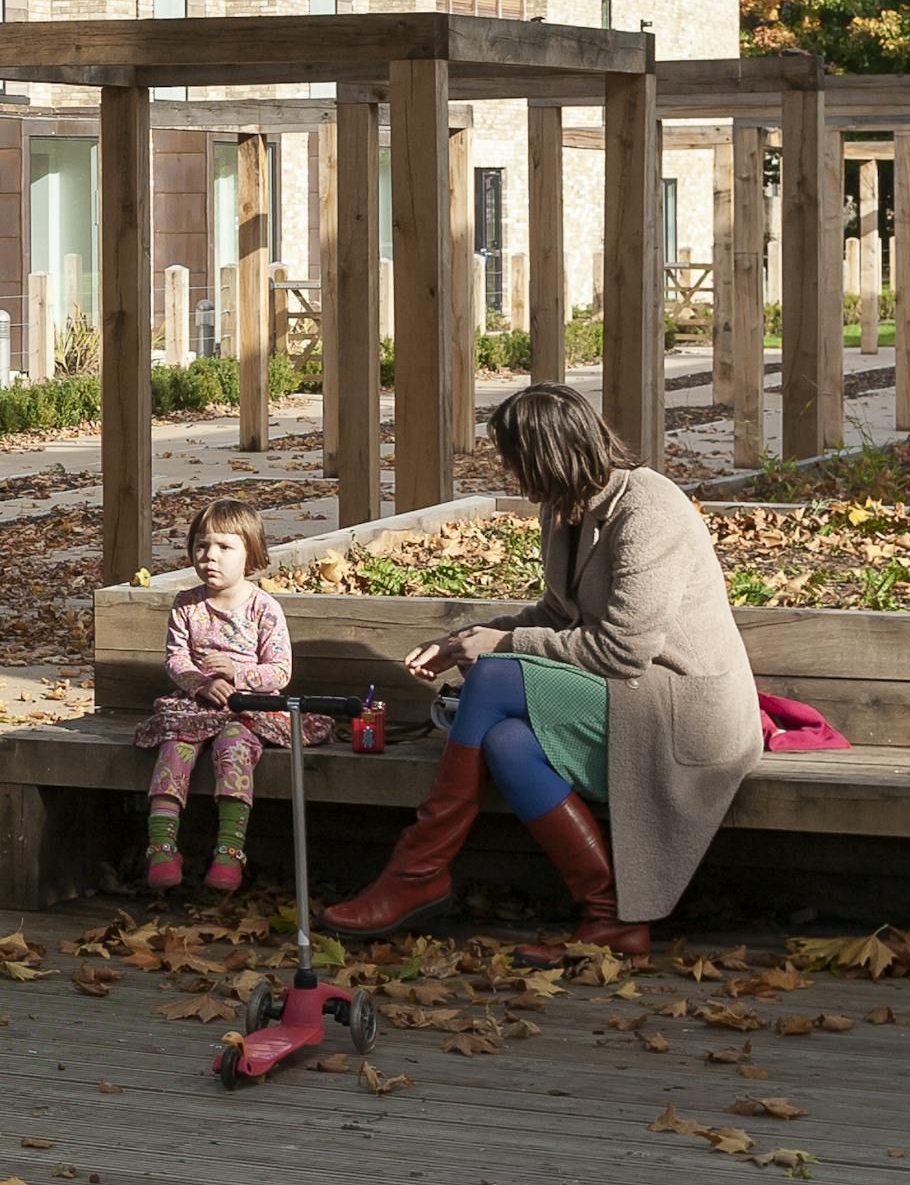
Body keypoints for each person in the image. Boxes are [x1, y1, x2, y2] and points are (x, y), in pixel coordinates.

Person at [321, 383, 758, 957]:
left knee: (496, 676)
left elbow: (622, 649)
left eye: (513, 459)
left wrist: (500, 645)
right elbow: (557, 615)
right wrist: (462, 641)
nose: (508, 473)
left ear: (547, 454)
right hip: (624, 699)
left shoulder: (651, 508)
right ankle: (610, 916)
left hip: (685, 713)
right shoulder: (565, 509)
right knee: (504, 741)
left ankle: (417, 871)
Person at [134, 497, 310, 892]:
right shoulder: (186, 605)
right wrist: (200, 682)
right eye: (201, 545)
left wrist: (240, 674)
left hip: (247, 710)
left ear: (251, 554)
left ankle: (229, 851)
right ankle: (161, 846)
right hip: (195, 706)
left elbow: (281, 671)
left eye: (224, 547)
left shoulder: (264, 609)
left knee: (233, 748)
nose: (209, 556)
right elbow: (175, 660)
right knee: (174, 745)